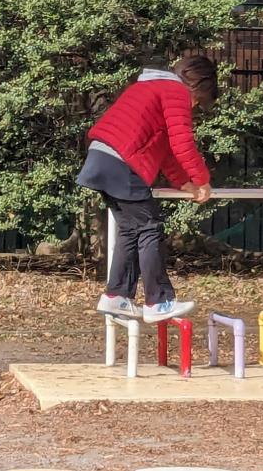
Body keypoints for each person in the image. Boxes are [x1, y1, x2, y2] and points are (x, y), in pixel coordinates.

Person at [80, 56, 216, 322]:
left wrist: (184, 183)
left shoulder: (150, 88)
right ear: (197, 86)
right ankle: (159, 301)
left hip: (101, 157)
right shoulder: (176, 91)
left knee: (131, 230)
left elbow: (164, 150)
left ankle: (116, 296)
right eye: (198, 101)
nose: (195, 106)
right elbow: (182, 144)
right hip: (122, 162)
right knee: (149, 228)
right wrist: (202, 180)